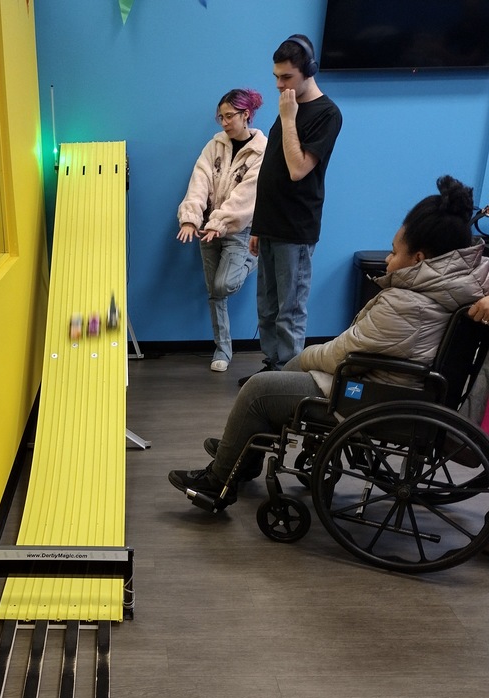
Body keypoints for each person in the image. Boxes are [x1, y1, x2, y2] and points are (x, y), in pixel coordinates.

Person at [168, 176, 489, 510]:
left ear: (419, 259)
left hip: (374, 395)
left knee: (259, 390)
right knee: (282, 379)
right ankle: (243, 454)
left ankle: (217, 483)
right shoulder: (464, 283)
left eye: (395, 253)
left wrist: (308, 354)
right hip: (403, 389)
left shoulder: (408, 304)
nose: (388, 260)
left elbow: (342, 355)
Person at [239, 34, 342, 386]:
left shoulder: (326, 113)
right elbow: (272, 171)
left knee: (289, 310)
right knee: (267, 308)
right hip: (269, 225)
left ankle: (287, 382)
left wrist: (287, 119)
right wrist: (258, 225)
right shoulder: (290, 107)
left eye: (287, 77)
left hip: (295, 229)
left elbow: (298, 169)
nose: (280, 85)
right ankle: (273, 370)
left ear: (309, 71)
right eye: (276, 77)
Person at [176, 88, 267, 372]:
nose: (224, 122)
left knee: (223, 285)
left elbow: (246, 196)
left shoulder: (262, 151)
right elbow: (199, 181)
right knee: (214, 293)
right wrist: (191, 219)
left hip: (238, 230)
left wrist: (220, 222)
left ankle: (254, 259)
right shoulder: (214, 146)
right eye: (221, 117)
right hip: (207, 230)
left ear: (246, 114)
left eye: (229, 116)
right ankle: (223, 350)